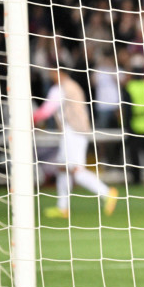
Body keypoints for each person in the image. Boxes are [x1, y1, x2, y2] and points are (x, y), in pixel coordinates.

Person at [34, 68, 118, 218]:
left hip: (74, 132)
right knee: (62, 168)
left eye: (52, 73)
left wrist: (31, 118)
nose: (50, 76)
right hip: (74, 131)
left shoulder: (62, 88)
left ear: (58, 72)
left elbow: (47, 110)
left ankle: (107, 193)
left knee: (77, 171)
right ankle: (62, 207)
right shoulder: (73, 86)